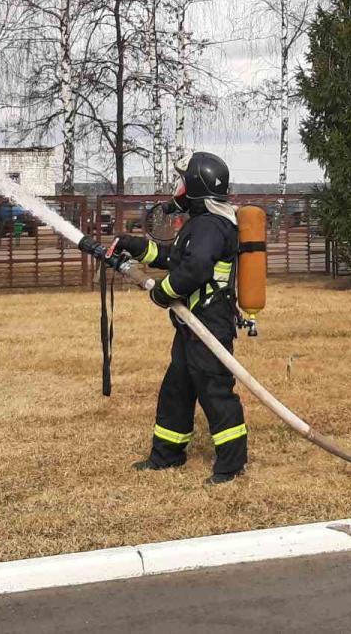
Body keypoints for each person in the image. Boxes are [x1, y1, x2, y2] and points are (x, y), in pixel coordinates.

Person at [112, 151, 246, 485]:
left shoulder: (212, 226)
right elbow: (176, 257)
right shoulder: (200, 225)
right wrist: (137, 247)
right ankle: (167, 456)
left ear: (196, 185)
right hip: (192, 325)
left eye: (182, 180)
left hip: (209, 325)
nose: (178, 187)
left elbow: (196, 269)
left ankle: (230, 467)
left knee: (215, 392)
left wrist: (162, 292)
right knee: (177, 389)